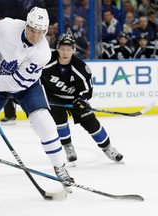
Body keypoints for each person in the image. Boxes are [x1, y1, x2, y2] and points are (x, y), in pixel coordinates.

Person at [0, 7, 74, 192]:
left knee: (45, 124)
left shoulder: (43, 53)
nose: (35, 35)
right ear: (26, 24)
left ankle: (60, 168)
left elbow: (17, 82)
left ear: (45, 31)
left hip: (27, 87)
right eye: (32, 29)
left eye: (40, 32)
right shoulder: (8, 26)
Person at [40, 33, 124, 164]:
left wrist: (80, 100)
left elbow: (87, 90)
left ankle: (108, 149)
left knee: (92, 123)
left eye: (68, 49)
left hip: (75, 99)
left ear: (73, 50)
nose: (65, 52)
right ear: (57, 48)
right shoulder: (46, 61)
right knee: (60, 123)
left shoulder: (81, 68)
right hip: (54, 98)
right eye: (62, 48)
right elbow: (34, 77)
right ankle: (68, 148)